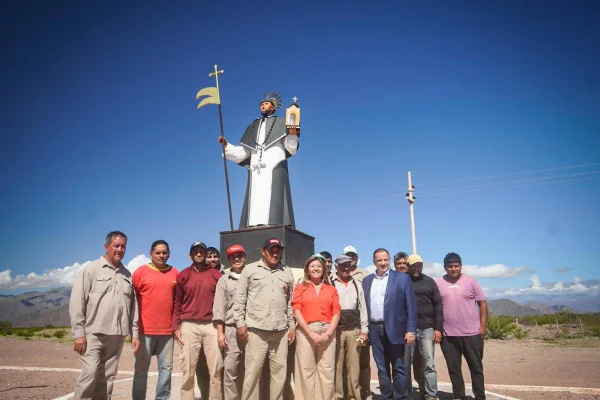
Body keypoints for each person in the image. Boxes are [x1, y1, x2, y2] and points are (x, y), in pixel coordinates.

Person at [69, 231, 140, 400]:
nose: (120, 249)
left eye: (123, 246)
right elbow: (77, 302)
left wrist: (134, 333)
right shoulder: (91, 270)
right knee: (89, 374)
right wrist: (79, 334)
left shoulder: (127, 275)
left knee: (108, 377)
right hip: (94, 332)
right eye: (116, 245)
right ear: (106, 246)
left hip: (117, 335)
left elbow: (133, 307)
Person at [219, 92, 300, 228]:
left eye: (266, 104)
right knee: (255, 198)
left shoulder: (281, 123)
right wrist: (227, 146)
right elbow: (242, 154)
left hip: (273, 166)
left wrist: (292, 135)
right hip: (257, 171)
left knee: (274, 198)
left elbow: (291, 148)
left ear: (273, 107)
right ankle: (253, 225)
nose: (263, 106)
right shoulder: (252, 128)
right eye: (261, 104)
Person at [232, 238, 296, 400]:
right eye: (272, 250)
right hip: (256, 331)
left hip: (280, 332)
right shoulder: (250, 270)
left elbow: (290, 302)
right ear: (263, 251)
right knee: (252, 375)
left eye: (278, 250)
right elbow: (240, 300)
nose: (275, 253)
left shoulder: (286, 272)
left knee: (279, 376)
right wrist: (240, 324)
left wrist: (292, 326)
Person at [363, 248, 417, 400]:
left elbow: (411, 306)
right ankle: (386, 396)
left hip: (396, 329)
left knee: (399, 367)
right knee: (381, 368)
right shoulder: (367, 281)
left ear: (389, 260)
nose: (383, 263)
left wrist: (411, 329)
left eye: (385, 259)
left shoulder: (401, 278)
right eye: (379, 260)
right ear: (374, 262)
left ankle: (401, 397)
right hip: (375, 329)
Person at [173, 241, 224, 400]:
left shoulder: (217, 275)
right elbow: (177, 303)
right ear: (190, 255)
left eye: (202, 251)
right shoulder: (184, 275)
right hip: (189, 325)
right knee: (188, 369)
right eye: (195, 251)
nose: (199, 254)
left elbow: (224, 302)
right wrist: (176, 327)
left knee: (215, 369)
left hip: (211, 325)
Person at [436, 253, 488, 400]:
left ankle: (480, 396)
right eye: (450, 266)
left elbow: (482, 304)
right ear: (445, 267)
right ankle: (459, 396)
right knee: (454, 369)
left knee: (476, 368)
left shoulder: (472, 282)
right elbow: (435, 307)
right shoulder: (438, 283)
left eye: (456, 266)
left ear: (461, 266)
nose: (453, 269)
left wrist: (482, 327)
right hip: (448, 335)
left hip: (472, 334)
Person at [132, 240, 179, 400]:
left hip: (167, 332)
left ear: (169, 254)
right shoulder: (140, 272)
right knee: (141, 370)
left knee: (166, 369)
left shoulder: (175, 273)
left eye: (164, 252)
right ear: (151, 253)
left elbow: (178, 302)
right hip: (145, 330)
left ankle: (162, 398)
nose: (161, 255)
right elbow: (132, 301)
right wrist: (133, 331)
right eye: (158, 252)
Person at [292, 255, 341, 400]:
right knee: (306, 370)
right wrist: (310, 333)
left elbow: (336, 312)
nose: (316, 269)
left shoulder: (331, 289)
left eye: (319, 266)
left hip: (328, 331)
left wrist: (329, 333)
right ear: (307, 269)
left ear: (323, 269)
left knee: (327, 370)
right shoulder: (300, 287)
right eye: (312, 266)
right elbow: (296, 311)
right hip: (306, 331)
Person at [331, 254, 369, 400]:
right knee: (337, 366)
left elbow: (363, 308)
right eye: (342, 265)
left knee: (354, 367)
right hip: (337, 330)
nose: (345, 268)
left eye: (348, 265)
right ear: (336, 267)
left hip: (354, 330)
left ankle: (354, 397)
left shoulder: (357, 284)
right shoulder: (330, 283)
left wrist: (364, 331)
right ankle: (338, 396)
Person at [213, 244, 248, 400]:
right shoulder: (223, 280)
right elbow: (220, 307)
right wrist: (221, 333)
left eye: (239, 255)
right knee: (231, 369)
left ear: (245, 257)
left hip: (251, 329)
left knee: (250, 369)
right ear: (228, 260)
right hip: (231, 329)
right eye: (233, 256)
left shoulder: (253, 275)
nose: (237, 259)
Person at [406, 254, 443, 400]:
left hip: (427, 328)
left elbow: (438, 306)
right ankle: (406, 394)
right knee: (406, 364)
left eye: (419, 265)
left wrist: (438, 328)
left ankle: (431, 395)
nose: (416, 268)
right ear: (408, 266)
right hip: (408, 329)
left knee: (429, 363)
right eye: (413, 265)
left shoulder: (429, 282)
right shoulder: (403, 281)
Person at [342, 245, 371, 399]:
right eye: (347, 256)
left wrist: (365, 328)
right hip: (341, 326)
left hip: (360, 325)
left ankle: (364, 390)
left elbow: (366, 301)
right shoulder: (335, 275)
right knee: (344, 363)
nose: (350, 259)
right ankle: (345, 392)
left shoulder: (365, 275)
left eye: (353, 256)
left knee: (363, 362)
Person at [393, 251, 413, 395]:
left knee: (420, 363)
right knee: (403, 363)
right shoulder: (392, 280)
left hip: (417, 327)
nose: (402, 266)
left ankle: (424, 393)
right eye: (399, 264)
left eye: (404, 263)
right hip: (400, 328)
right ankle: (405, 392)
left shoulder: (415, 278)